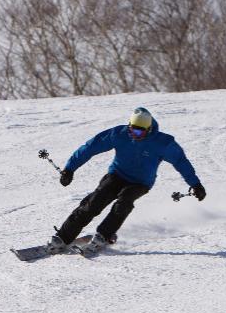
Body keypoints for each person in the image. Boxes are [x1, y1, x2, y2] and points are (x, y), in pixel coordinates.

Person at [47, 107, 206, 255]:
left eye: (140, 131)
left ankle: (104, 235)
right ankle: (63, 237)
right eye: (132, 129)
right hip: (116, 175)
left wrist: (195, 184)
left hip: (140, 183)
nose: (135, 134)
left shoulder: (162, 143)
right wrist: (70, 169)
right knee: (94, 202)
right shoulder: (119, 134)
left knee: (124, 203)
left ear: (149, 129)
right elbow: (91, 147)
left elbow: (181, 162)